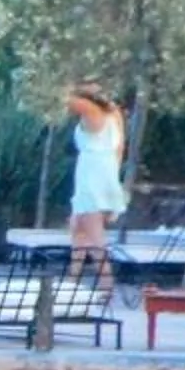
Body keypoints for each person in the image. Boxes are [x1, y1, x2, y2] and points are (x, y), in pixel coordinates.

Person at [60, 83, 128, 283]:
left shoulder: (92, 112)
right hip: (103, 171)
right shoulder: (114, 114)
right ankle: (73, 280)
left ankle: (106, 284)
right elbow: (120, 148)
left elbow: (64, 99)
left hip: (92, 175)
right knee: (78, 228)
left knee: (93, 234)